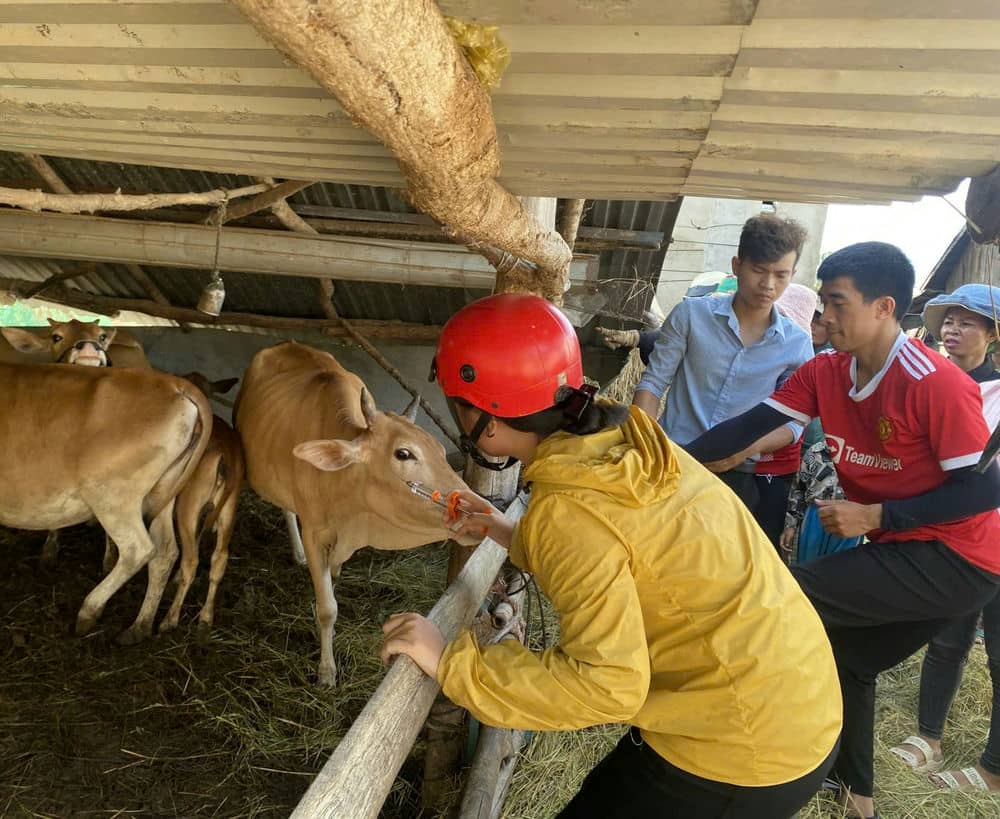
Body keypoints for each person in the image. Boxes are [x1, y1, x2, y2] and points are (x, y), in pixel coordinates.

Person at [381, 293, 842, 818]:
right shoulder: (629, 443)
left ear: (483, 417)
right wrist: (505, 530)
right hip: (788, 696)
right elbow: (618, 547)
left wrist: (451, 664)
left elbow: (607, 684)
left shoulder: (570, 509)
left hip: (741, 747)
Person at [683, 242, 1000, 819]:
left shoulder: (934, 382)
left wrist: (877, 516)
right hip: (909, 553)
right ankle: (857, 801)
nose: (824, 317)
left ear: (884, 307)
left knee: (783, 594)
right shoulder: (826, 369)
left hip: (957, 560)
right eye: (823, 302)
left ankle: (716, 731)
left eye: (836, 303)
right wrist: (666, 460)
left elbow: (985, 488)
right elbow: (754, 424)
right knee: (846, 661)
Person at [632, 214, 814, 532]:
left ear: (793, 274)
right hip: (672, 460)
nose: (769, 285)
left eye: (781, 275)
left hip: (740, 476)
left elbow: (796, 423)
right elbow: (654, 381)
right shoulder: (690, 315)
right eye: (758, 271)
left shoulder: (797, 344)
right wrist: (644, 444)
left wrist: (741, 452)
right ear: (737, 264)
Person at [889, 284, 1000, 793]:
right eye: (949, 321)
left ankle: (993, 770)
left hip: (993, 531)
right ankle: (928, 736)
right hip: (952, 533)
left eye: (968, 322)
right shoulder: (929, 380)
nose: (953, 330)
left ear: (992, 335)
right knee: (947, 637)